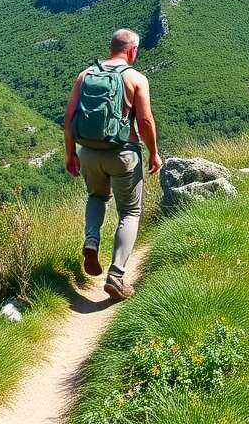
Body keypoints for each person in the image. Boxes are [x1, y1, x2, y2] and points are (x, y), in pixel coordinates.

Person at [63, 28, 161, 300]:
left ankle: (91, 239)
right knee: (129, 212)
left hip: (89, 153)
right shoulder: (135, 78)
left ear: (111, 47)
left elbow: (69, 118)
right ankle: (116, 276)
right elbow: (145, 121)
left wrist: (70, 154)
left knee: (96, 196)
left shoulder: (85, 75)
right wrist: (154, 153)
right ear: (132, 50)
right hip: (122, 154)